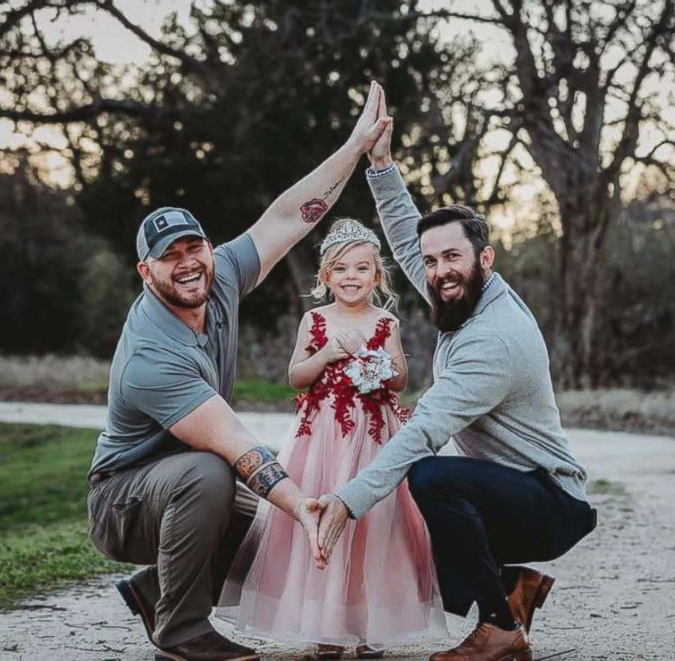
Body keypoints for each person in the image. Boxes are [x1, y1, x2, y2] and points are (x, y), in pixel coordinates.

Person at [86, 83, 392, 661]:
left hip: (184, 486)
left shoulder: (221, 273)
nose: (188, 263)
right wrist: (301, 504)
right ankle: (179, 632)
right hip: (124, 500)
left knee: (273, 534)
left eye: (193, 247)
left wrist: (354, 147)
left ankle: (156, 588)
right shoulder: (152, 353)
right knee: (219, 478)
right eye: (170, 256)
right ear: (145, 271)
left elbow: (289, 216)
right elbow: (235, 446)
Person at [315, 96, 598, 661]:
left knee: (428, 480)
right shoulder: (461, 294)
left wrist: (346, 501)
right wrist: (381, 166)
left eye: (452, 257)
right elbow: (403, 235)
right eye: (431, 260)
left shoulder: (493, 338)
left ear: (485, 258)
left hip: (550, 499)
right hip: (514, 486)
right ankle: (514, 587)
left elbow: (424, 434)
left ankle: (499, 628)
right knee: (417, 502)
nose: (439, 271)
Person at [218, 219, 448, 659]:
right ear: (326, 277)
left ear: (377, 276)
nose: (351, 277)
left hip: (373, 438)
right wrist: (326, 355)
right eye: (341, 269)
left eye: (361, 269)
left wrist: (378, 363)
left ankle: (366, 627)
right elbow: (296, 376)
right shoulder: (315, 319)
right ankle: (323, 626)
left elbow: (400, 380)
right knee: (321, 518)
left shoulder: (385, 322)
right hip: (323, 435)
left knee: (374, 526)